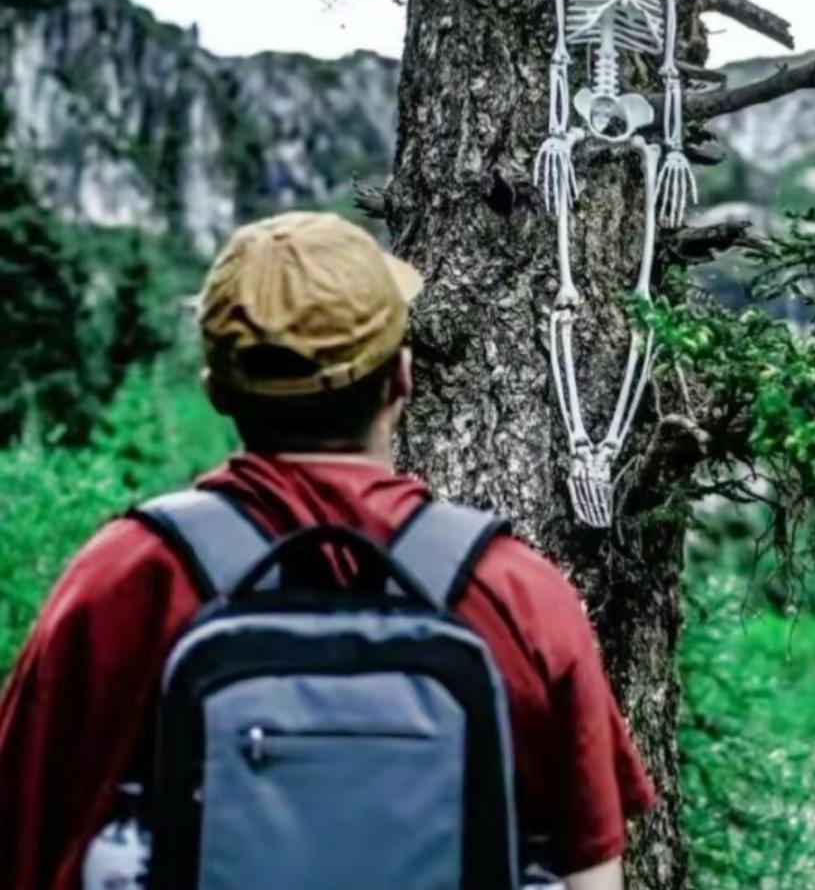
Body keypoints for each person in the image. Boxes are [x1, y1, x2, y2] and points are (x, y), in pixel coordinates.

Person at [0, 211, 655, 890]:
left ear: (216, 390)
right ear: (401, 379)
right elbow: (591, 875)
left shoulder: (122, 581)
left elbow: (23, 841)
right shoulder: (517, 594)